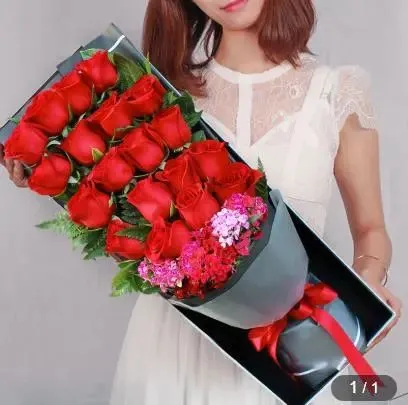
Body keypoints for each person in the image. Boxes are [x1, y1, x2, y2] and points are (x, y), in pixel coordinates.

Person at [0, 0, 402, 404]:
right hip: (174, 348)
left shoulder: (337, 92)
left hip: (296, 343)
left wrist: (368, 282)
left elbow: (371, 230)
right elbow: (116, 212)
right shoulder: (154, 93)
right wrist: (50, 171)